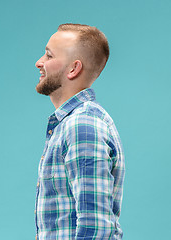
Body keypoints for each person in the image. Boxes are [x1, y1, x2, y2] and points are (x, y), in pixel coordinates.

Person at [34, 23, 125, 240]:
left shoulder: (82, 125)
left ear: (73, 69)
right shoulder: (70, 124)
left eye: (48, 55)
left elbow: (95, 228)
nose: (39, 62)